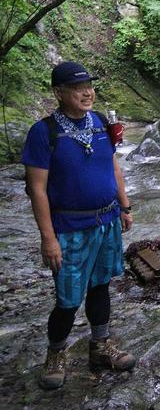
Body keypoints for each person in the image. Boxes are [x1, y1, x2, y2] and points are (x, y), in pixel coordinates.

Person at [21, 61, 136, 390]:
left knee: (100, 286)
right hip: (70, 228)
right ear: (59, 93)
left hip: (107, 220)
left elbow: (113, 167)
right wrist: (48, 239)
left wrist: (125, 207)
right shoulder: (44, 133)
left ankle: (100, 348)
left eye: (89, 86)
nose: (88, 92)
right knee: (68, 299)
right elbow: (37, 190)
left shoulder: (100, 122)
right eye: (78, 88)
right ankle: (55, 354)